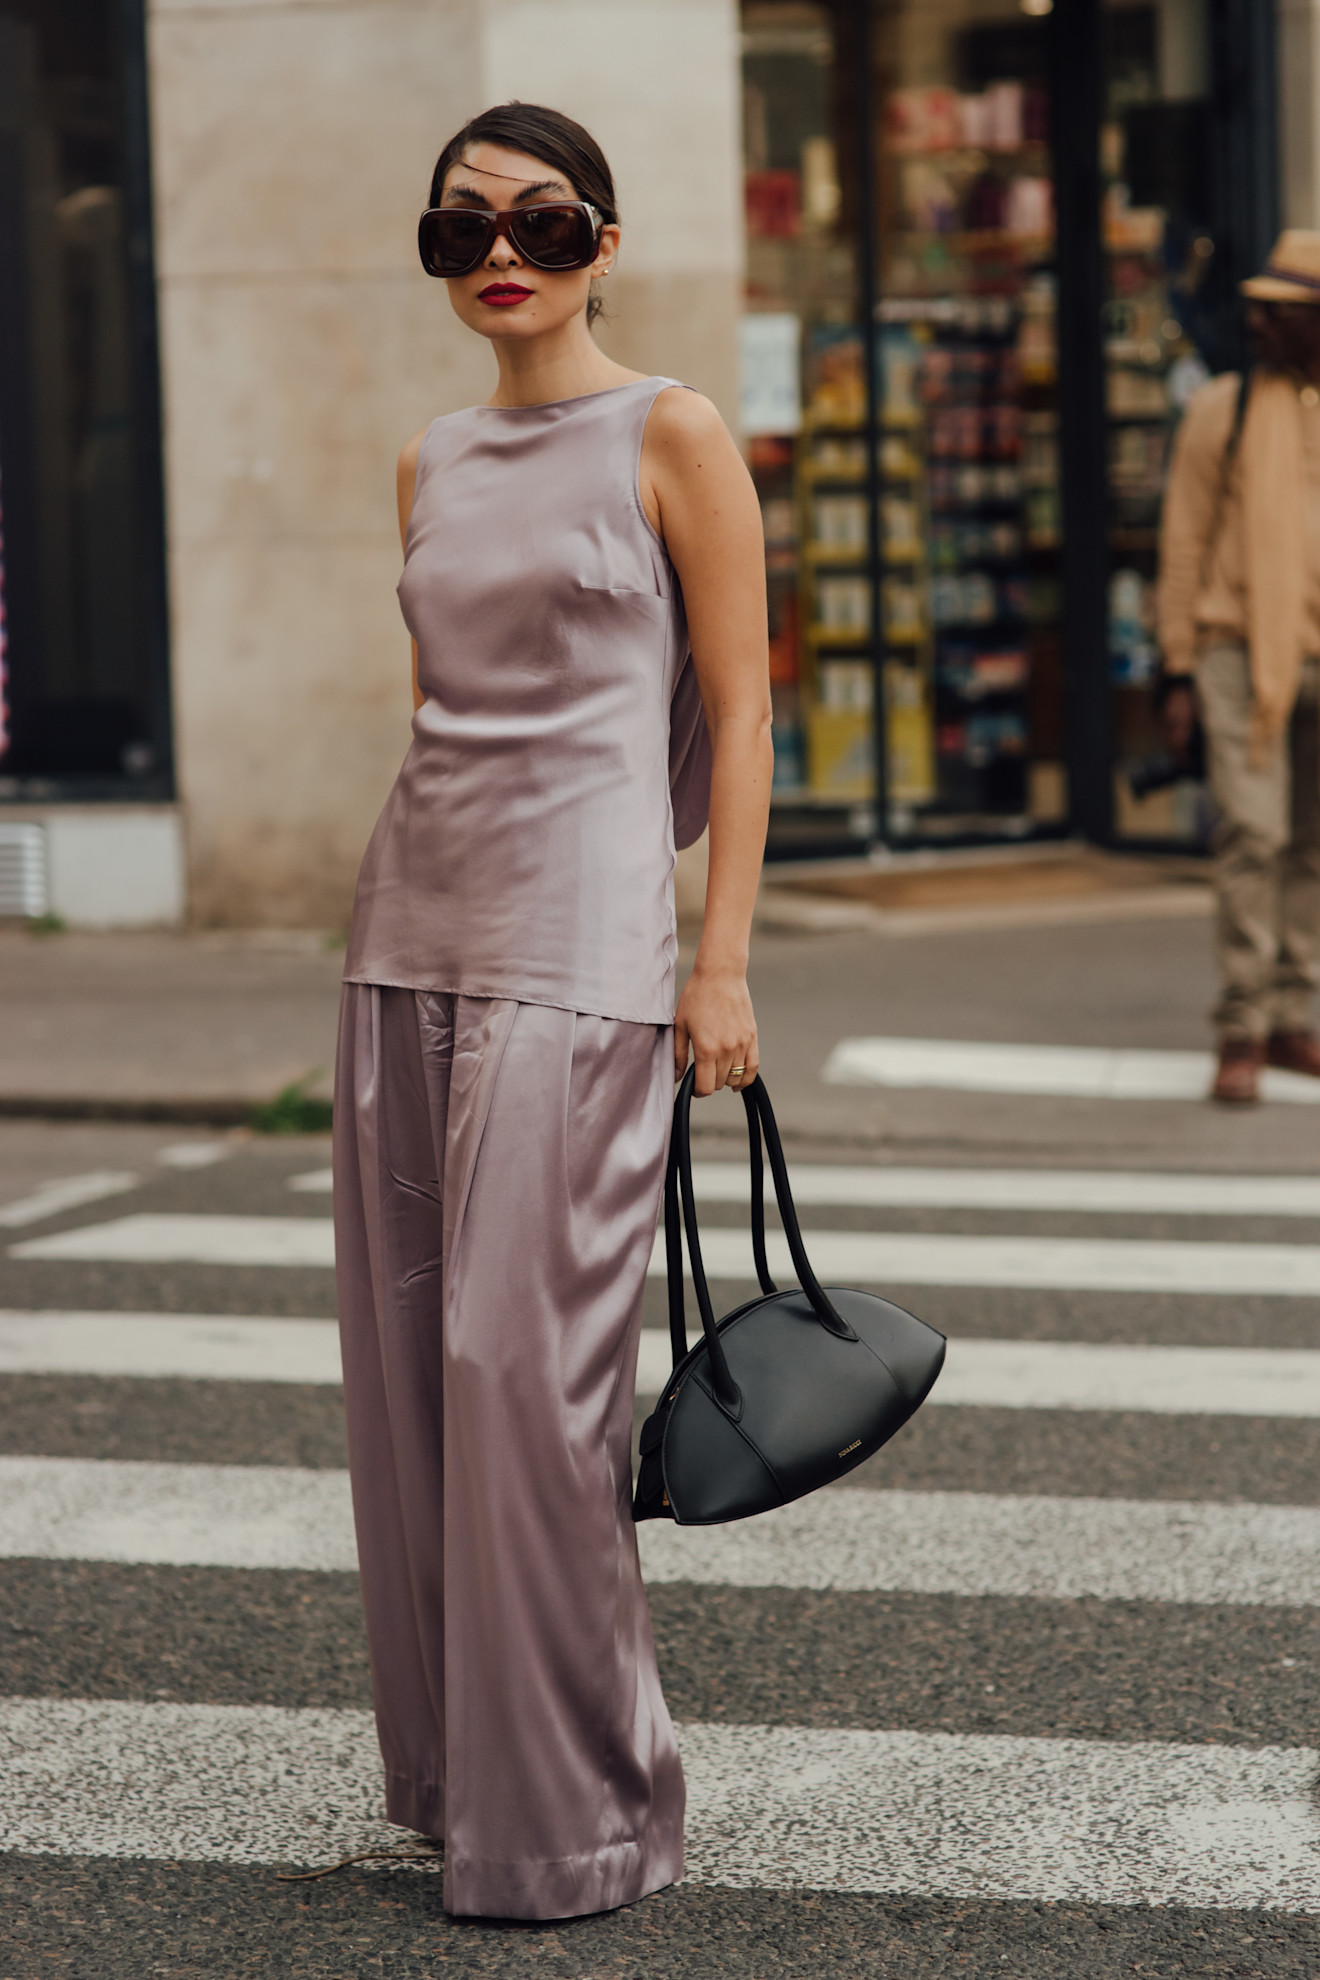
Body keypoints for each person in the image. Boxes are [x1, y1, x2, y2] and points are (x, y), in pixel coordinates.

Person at [331, 102, 772, 1920]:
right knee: (418, 1388)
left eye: (537, 220)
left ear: (605, 236)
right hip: (405, 934)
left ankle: (589, 1814)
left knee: (531, 1384)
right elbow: (450, 720)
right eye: (459, 230)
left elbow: (736, 717)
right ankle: (462, 1786)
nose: (498, 252)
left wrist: (720, 958)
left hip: (584, 956)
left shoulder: (673, 432)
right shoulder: (432, 459)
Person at [1158, 229, 1320, 1104]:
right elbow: (1181, 542)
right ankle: (1241, 1025)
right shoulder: (1225, 408)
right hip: (1236, 650)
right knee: (1253, 836)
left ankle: (1296, 1017)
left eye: (1279, 310)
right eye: (1256, 306)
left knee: (1311, 846)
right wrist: (1177, 667)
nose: (1256, 320)